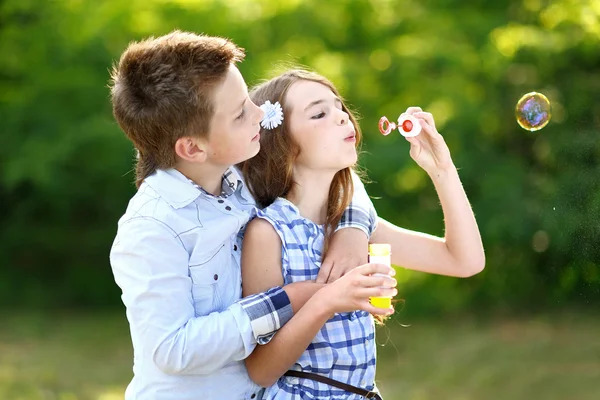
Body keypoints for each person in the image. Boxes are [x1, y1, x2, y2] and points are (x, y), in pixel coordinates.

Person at [108, 31, 395, 400]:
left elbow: (334, 171)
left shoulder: (235, 174)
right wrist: (291, 298)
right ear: (193, 147)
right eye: (241, 112)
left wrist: (352, 228)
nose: (260, 113)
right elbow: (172, 350)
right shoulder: (151, 229)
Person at [240, 69, 485, 399]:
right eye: (319, 113)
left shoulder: (351, 226)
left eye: (338, 105)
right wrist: (327, 300)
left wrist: (441, 169)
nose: (341, 116)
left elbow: (464, 261)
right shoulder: (268, 233)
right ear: (282, 144)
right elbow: (261, 368)